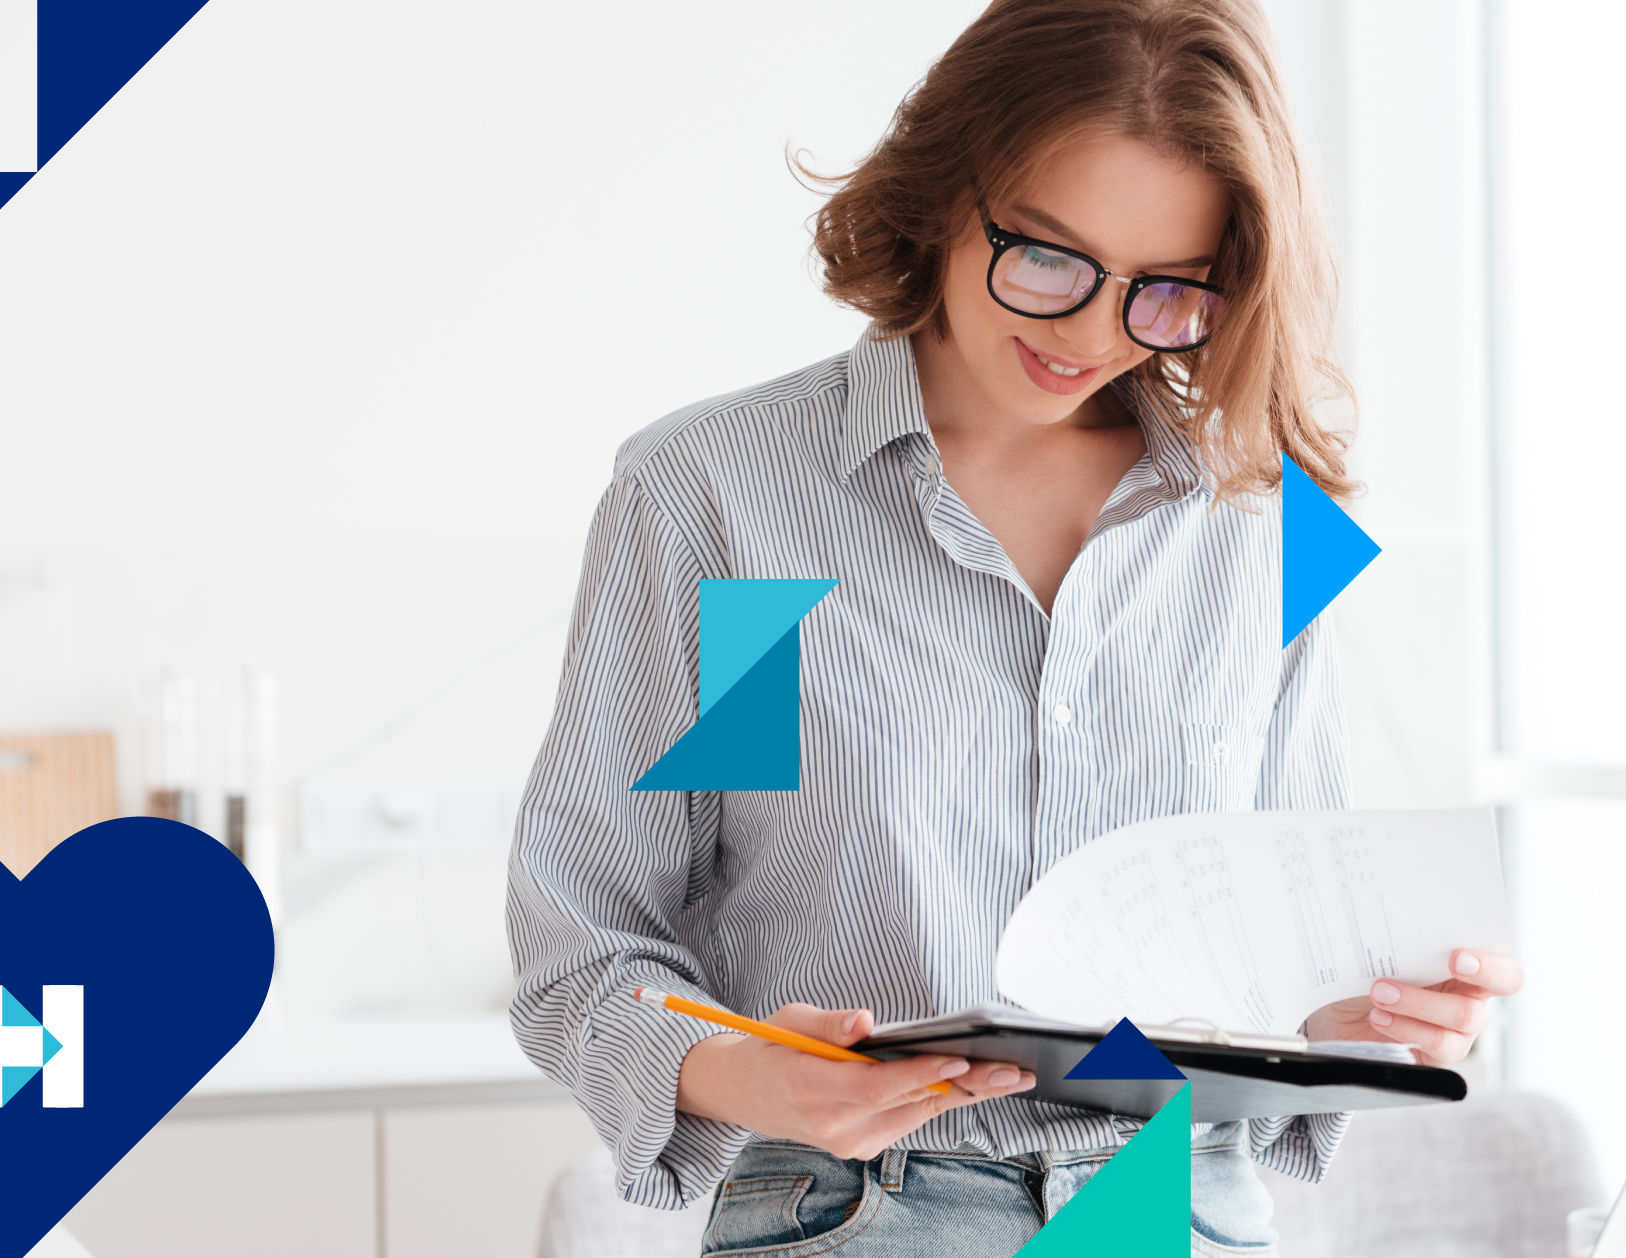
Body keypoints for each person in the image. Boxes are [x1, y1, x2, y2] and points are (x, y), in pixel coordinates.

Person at [506, 0, 1523, 1253]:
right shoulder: (736, 510)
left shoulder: (1261, 528)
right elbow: (592, 947)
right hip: (869, 1208)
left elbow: (1272, 973)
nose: (1089, 336)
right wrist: (759, 1076)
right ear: (942, 193)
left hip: (1177, 1208)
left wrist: (1376, 1014)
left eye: (1167, 293)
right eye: (1046, 256)